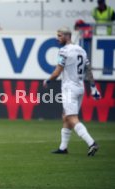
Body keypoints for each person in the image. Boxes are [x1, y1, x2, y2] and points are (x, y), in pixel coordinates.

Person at [43, 27, 101, 156]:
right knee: (66, 116)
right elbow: (88, 69)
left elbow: (58, 71)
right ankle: (63, 148)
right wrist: (93, 87)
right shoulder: (82, 50)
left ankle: (91, 143)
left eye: (60, 36)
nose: (57, 38)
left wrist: (48, 80)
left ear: (67, 36)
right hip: (80, 88)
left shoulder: (63, 51)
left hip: (69, 88)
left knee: (71, 117)